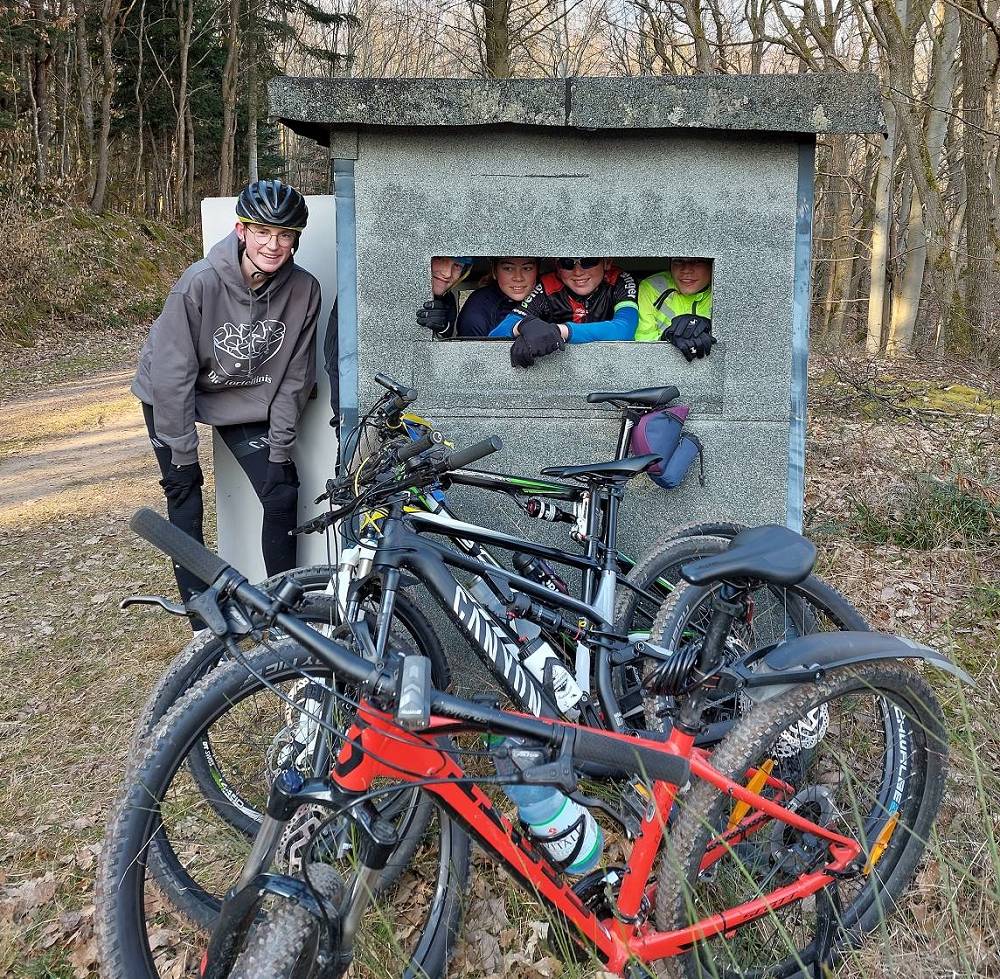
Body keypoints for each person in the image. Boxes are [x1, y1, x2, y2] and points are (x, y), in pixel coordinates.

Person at [132, 178, 322, 604]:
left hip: (242, 393)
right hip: (171, 391)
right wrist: (183, 455)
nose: (272, 245)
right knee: (184, 492)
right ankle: (203, 618)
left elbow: (294, 378)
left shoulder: (304, 290)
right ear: (241, 230)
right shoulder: (199, 283)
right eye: (262, 232)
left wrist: (279, 451)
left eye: (285, 235)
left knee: (281, 490)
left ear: (295, 240)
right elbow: (172, 375)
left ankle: (283, 611)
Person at [488, 258, 639, 367]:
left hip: (611, 366)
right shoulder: (547, 285)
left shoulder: (619, 280)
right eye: (567, 263)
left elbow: (624, 330)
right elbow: (495, 335)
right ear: (557, 267)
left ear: (607, 262)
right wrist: (523, 326)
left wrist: (559, 331)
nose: (578, 272)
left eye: (588, 261)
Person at [635, 257, 715, 361]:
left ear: (712, 264)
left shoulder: (725, 290)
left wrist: (710, 327)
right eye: (679, 260)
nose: (686, 270)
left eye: (697, 261)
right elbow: (642, 346)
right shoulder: (652, 287)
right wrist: (665, 338)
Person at [455, 257, 540, 337]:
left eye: (527, 268)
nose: (518, 278)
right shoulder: (477, 309)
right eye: (508, 268)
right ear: (494, 271)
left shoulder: (545, 296)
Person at [415, 256, 474, 337]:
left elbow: (447, 336)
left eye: (457, 265)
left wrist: (443, 329)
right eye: (439, 258)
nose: (447, 274)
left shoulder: (448, 299)